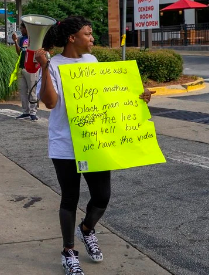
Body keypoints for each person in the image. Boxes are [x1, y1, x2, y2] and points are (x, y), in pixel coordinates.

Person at [35, 16, 154, 275]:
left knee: (102, 196)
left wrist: (138, 97)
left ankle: (87, 229)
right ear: (72, 38)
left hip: (94, 141)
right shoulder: (53, 64)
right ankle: (69, 252)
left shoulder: (92, 61)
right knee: (70, 198)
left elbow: (105, 96)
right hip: (65, 144)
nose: (92, 38)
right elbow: (51, 103)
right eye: (88, 34)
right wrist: (44, 68)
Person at [12, 22, 39, 121]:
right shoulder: (22, 39)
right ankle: (25, 111)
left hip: (32, 68)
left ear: (27, 29)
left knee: (32, 91)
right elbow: (19, 52)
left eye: (22, 28)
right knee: (23, 91)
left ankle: (33, 112)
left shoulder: (35, 38)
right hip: (22, 67)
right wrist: (15, 41)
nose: (21, 30)